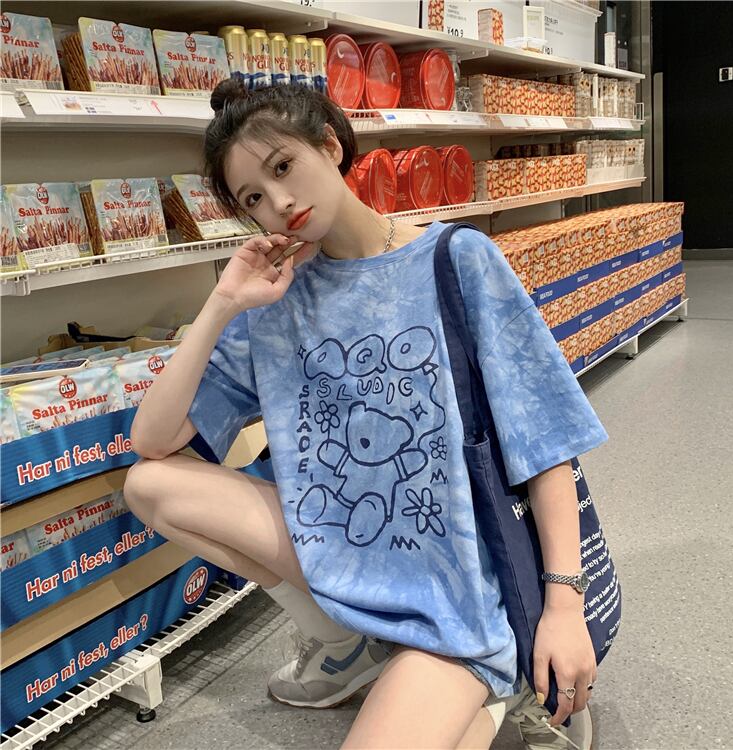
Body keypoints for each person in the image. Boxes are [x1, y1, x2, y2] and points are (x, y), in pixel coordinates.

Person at [124, 79, 608, 750]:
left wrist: (563, 605)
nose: (278, 203)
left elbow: (544, 438)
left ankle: (504, 676)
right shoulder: (275, 303)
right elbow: (150, 441)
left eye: (284, 167)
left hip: (455, 589)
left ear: (330, 145)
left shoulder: (456, 260)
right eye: (252, 198)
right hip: (343, 552)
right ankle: (350, 642)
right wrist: (223, 303)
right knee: (149, 485)